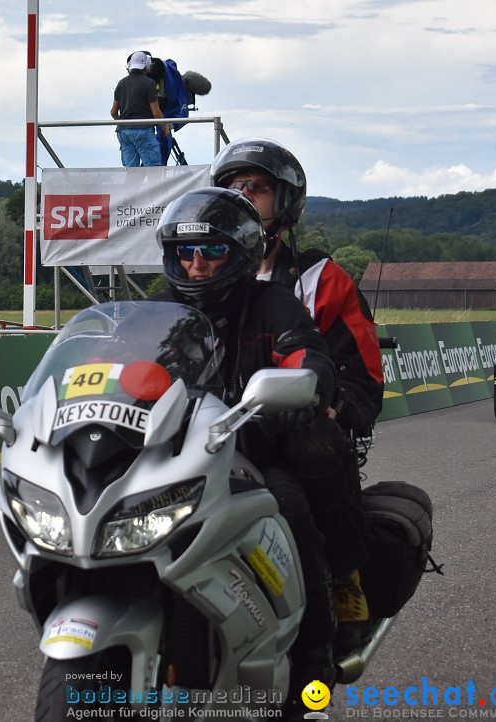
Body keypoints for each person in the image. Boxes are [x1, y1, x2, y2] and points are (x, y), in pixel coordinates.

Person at [148, 188, 339, 710]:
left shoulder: (270, 302)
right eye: (186, 252)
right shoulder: (156, 311)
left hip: (254, 454)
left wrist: (309, 381)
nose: (197, 264)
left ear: (242, 254)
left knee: (291, 512)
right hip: (173, 459)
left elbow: (307, 352)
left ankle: (315, 652)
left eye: (212, 251)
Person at [211, 138, 384, 650]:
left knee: (309, 468)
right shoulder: (198, 270)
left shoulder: (319, 278)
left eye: (256, 187)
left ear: (283, 202)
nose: (242, 194)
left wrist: (333, 405)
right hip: (207, 434)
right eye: (232, 186)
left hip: (286, 431)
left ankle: (340, 582)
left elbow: (364, 373)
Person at [110, 51, 169, 168]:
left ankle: (131, 187)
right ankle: (154, 187)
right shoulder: (149, 83)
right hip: (143, 130)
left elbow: (113, 112)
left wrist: (123, 123)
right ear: (147, 65)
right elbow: (156, 112)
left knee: (131, 170)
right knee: (153, 169)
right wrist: (165, 128)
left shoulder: (121, 83)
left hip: (124, 132)